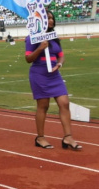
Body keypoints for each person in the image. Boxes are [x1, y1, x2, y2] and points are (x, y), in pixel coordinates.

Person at [25, 11, 81, 150]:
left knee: (64, 103)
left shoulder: (54, 37)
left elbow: (61, 55)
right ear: (41, 20)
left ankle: (68, 137)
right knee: (43, 106)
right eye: (47, 18)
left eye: (52, 18)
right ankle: (40, 137)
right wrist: (40, 48)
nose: (50, 20)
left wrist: (59, 64)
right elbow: (28, 59)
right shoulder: (32, 37)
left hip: (54, 75)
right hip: (39, 74)